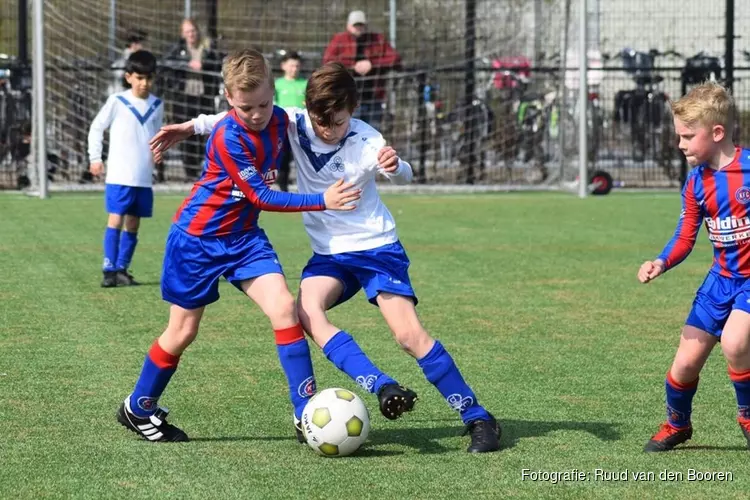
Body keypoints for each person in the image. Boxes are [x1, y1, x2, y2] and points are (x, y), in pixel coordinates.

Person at [150, 62, 501, 453]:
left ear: (353, 108)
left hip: (376, 250)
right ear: (308, 110)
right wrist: (192, 126)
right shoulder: (295, 122)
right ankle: (381, 385)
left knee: (407, 335)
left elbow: (405, 173)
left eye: (338, 121)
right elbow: (243, 112)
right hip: (329, 256)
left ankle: (478, 417)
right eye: (321, 121)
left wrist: (396, 165)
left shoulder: (367, 141)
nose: (328, 130)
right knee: (305, 312)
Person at [116, 49, 361, 443]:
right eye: (245, 107)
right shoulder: (229, 137)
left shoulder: (281, 119)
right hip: (197, 241)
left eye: (264, 103)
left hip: (245, 238)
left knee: (284, 307)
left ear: (274, 91)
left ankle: (305, 413)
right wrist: (322, 200)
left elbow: (328, 125)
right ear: (229, 98)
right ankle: (139, 406)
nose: (257, 113)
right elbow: (264, 196)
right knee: (182, 331)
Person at [638, 82, 750, 452]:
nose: (680, 144)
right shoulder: (696, 182)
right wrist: (660, 261)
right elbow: (685, 237)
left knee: (736, 343)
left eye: (688, 136)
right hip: (720, 282)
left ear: (717, 133)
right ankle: (677, 425)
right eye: (678, 135)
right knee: (684, 366)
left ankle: (747, 416)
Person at [88, 50, 162, 288]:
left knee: (134, 223)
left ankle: (122, 268)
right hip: (120, 174)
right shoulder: (117, 101)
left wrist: (157, 158)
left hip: (143, 177)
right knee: (116, 219)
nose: (144, 83)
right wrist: (95, 158)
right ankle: (108, 269)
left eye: (149, 78)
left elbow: (158, 136)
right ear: (129, 77)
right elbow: (97, 127)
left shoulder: (157, 105)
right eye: (139, 78)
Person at [163, 18, 222, 180]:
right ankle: (189, 171)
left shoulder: (207, 49)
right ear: (183, 34)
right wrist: (187, 64)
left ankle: (198, 167)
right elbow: (166, 63)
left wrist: (204, 64)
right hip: (183, 98)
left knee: (203, 133)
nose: (191, 34)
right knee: (186, 134)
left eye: (193, 31)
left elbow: (217, 65)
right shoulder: (178, 50)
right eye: (187, 31)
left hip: (203, 97)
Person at [322, 10, 400, 128]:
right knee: (350, 132)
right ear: (348, 26)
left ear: (365, 26)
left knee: (373, 133)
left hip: (374, 96)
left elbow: (395, 58)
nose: (358, 28)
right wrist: (353, 65)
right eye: (355, 25)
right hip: (347, 98)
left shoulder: (377, 39)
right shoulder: (340, 39)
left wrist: (371, 64)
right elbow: (328, 60)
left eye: (361, 25)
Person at [274, 50, 307, 192]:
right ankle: (283, 188)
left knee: (304, 159)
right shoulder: (277, 84)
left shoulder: (305, 83)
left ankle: (306, 187)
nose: (294, 69)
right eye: (291, 65)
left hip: (302, 127)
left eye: (297, 66)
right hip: (283, 127)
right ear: (283, 66)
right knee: (284, 158)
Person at [108, 28, 147, 96]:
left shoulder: (134, 57)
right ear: (134, 44)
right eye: (141, 43)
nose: (143, 46)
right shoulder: (126, 59)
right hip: (120, 94)